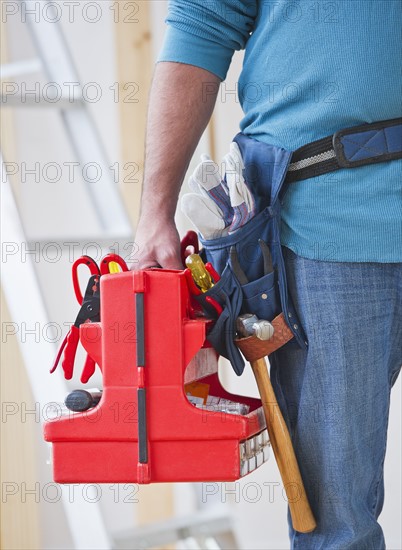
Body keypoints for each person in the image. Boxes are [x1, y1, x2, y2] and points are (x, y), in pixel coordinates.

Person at [133, 1, 402, 548]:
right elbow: (201, 26)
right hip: (328, 225)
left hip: (335, 224)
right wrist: (154, 212)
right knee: (337, 524)